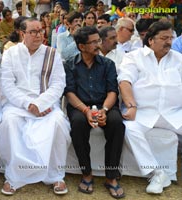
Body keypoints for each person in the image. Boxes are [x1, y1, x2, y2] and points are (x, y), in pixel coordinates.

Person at [0, 18, 71, 195]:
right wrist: (28, 104)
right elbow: (7, 85)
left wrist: (41, 103)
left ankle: (55, 175)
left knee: (59, 123)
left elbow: (58, 84)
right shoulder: (11, 53)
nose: (39, 35)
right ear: (23, 34)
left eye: (41, 30)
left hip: (46, 104)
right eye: (33, 31)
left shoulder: (52, 53)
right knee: (8, 122)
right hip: (18, 104)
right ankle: (14, 176)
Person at [117, 21, 182, 194]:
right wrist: (131, 106)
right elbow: (125, 81)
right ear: (151, 40)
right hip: (144, 113)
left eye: (171, 38)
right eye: (164, 38)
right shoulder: (134, 57)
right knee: (129, 129)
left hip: (175, 113)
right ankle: (156, 173)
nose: (169, 42)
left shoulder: (178, 59)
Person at [63, 26, 125, 199]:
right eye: (94, 42)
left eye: (98, 40)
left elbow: (113, 91)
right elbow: (69, 93)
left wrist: (104, 110)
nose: (99, 44)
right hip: (80, 106)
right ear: (81, 46)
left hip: (105, 104)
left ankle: (111, 177)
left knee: (116, 123)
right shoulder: (69, 64)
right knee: (78, 123)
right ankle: (87, 174)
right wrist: (86, 110)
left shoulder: (108, 64)